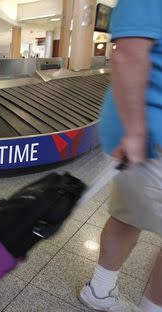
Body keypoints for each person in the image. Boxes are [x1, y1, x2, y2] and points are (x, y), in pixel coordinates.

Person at [79, 1, 162, 312]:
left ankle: (99, 291)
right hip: (151, 136)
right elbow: (127, 54)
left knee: (128, 216)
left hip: (142, 135)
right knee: (128, 215)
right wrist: (137, 133)